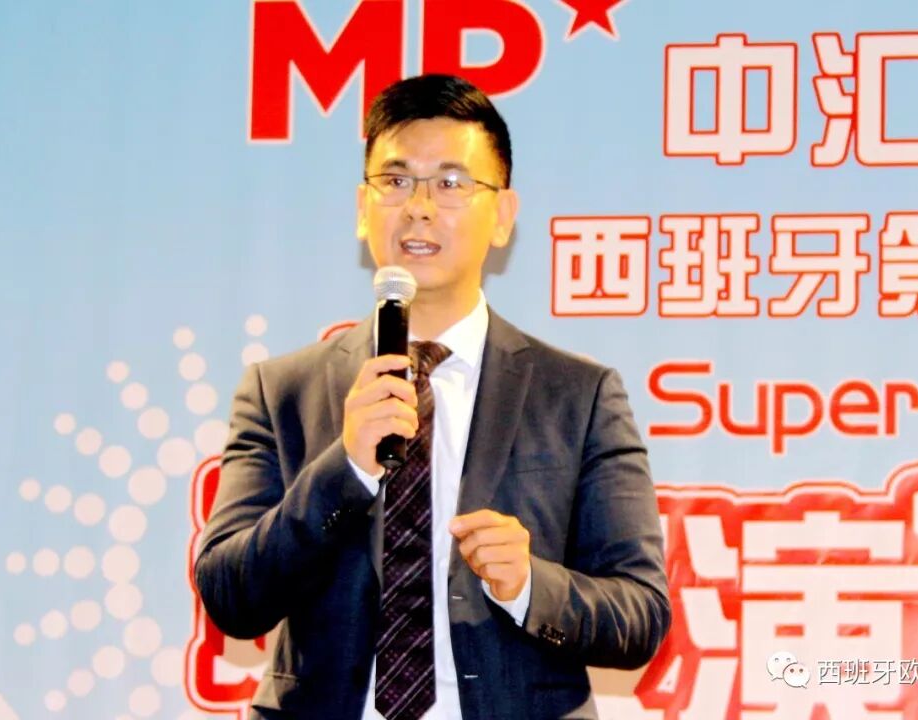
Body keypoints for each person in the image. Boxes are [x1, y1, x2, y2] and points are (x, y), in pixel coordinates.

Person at [194, 73, 670, 720]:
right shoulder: (281, 392)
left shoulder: (578, 396)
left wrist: (530, 585)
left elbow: (640, 615)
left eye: (450, 183)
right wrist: (345, 469)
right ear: (363, 207)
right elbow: (231, 597)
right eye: (395, 181)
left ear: (503, 216)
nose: (418, 207)